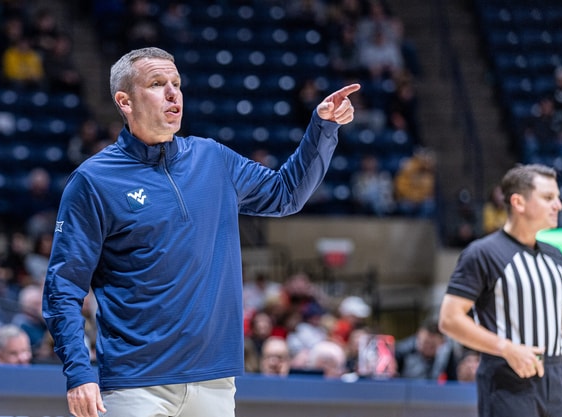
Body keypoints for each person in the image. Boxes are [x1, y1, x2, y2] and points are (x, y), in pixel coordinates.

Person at [43, 46, 358, 417]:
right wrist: (79, 372)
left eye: (176, 83)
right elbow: (62, 289)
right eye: (157, 84)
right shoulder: (93, 181)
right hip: (136, 385)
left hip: (215, 383)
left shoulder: (213, 159)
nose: (173, 93)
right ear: (125, 101)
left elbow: (286, 194)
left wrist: (323, 127)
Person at [438, 164, 562, 417]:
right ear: (518, 202)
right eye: (548, 198)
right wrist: (506, 348)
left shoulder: (557, 258)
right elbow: (449, 319)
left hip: (557, 378)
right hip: (506, 377)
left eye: (558, 197)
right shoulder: (483, 253)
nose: (558, 205)